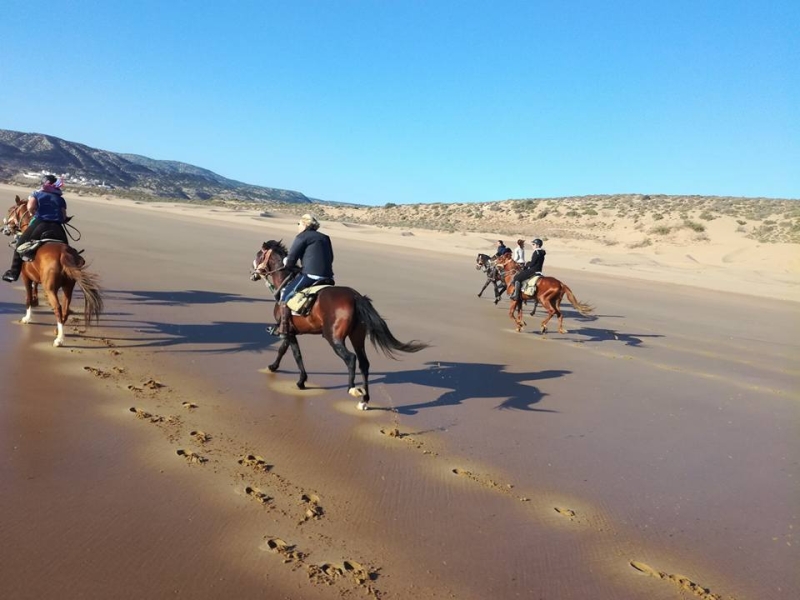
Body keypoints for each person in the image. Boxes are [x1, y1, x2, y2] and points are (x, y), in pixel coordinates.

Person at [275, 213, 335, 338]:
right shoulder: (325, 237)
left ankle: (283, 328)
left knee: (285, 294)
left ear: (304, 224)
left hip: (310, 275)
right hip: (328, 276)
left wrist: (288, 264)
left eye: (299, 224)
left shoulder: (302, 237)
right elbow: (331, 257)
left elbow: (291, 259)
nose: (298, 226)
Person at [3, 175, 69, 282]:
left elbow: (30, 207)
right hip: (57, 226)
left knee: (20, 245)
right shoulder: (60, 199)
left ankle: (13, 273)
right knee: (66, 248)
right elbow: (64, 216)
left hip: (40, 223)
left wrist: (35, 214)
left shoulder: (36, 194)